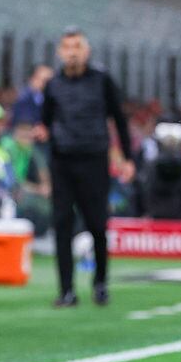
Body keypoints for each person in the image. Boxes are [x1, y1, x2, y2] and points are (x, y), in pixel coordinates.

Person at [36, 27, 134, 308]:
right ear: (59, 52)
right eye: (67, 47)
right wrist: (42, 133)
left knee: (97, 225)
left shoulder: (102, 81)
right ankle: (66, 290)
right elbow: (46, 120)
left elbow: (120, 120)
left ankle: (100, 283)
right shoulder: (53, 84)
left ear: (86, 51)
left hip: (94, 160)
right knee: (63, 226)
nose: (72, 52)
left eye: (77, 46)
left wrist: (127, 158)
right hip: (62, 162)